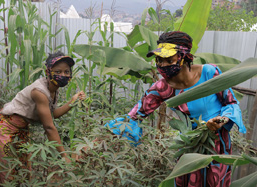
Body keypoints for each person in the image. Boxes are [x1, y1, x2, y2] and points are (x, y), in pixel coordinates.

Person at [105, 31, 246, 187]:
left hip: (217, 142)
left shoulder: (209, 73)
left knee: (214, 181)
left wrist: (222, 120)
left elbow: (231, 103)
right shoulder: (164, 87)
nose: (163, 65)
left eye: (169, 59)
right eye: (159, 60)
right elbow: (135, 114)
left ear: (184, 57)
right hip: (190, 144)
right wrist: (103, 137)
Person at [0, 51, 86, 183]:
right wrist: (64, 156)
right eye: (58, 72)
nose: (63, 75)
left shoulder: (53, 88)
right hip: (4, 126)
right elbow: (48, 126)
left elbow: (52, 116)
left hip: (21, 128)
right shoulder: (39, 91)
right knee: (8, 170)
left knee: (24, 168)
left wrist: (72, 101)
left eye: (66, 72)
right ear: (48, 71)